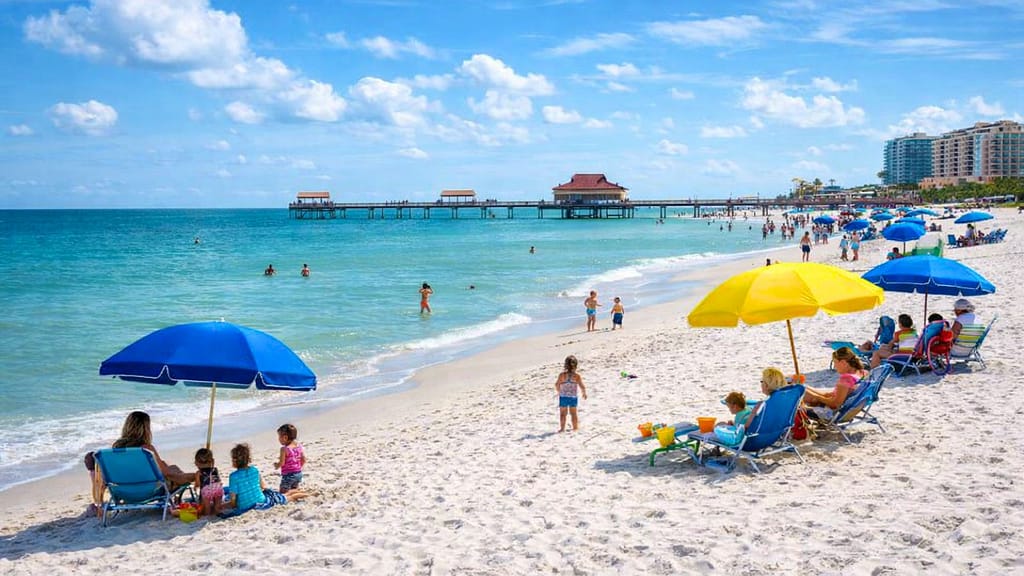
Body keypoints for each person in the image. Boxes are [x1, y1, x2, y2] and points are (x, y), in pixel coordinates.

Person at [91, 411, 194, 514]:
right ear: (146, 429)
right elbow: (165, 473)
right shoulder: (146, 450)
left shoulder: (116, 449)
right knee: (173, 470)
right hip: (150, 491)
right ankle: (195, 477)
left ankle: (193, 476)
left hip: (123, 492)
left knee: (169, 468)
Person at [274, 424, 309, 499]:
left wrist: (277, 465)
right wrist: (298, 468)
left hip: (288, 475)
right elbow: (303, 459)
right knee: (293, 490)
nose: (278, 439)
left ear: (285, 437)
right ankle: (302, 494)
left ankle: (306, 495)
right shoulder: (299, 446)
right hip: (298, 473)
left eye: (279, 437)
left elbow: (282, 463)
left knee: (283, 493)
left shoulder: (284, 449)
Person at [555, 355, 587, 432]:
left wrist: (559, 391)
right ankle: (575, 428)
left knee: (563, 414)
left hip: (563, 397)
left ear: (565, 365)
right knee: (573, 413)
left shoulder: (562, 375)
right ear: (576, 365)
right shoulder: (577, 376)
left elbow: (557, 384)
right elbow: (582, 386)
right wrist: (584, 393)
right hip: (573, 397)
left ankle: (562, 429)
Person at [193, 448, 224, 517]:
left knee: (207, 508)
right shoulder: (215, 469)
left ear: (196, 463)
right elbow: (217, 479)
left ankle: (207, 515)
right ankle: (217, 511)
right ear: (212, 461)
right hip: (218, 488)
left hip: (207, 490)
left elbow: (198, 484)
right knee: (217, 505)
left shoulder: (199, 473)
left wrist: (195, 486)